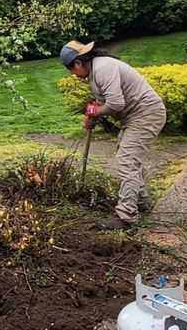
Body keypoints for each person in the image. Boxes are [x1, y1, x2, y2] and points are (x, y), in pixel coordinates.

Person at [61, 39, 169, 228]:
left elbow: (116, 104)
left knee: (127, 161)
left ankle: (126, 217)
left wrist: (97, 111)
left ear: (78, 63)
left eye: (71, 69)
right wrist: (92, 114)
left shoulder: (103, 68)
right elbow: (105, 101)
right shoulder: (95, 72)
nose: (72, 74)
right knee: (127, 158)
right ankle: (141, 202)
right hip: (135, 116)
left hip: (146, 113)